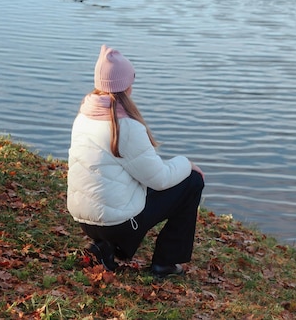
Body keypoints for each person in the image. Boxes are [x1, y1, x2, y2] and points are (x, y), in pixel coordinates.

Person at [67, 44, 205, 278]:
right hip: (115, 223)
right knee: (191, 182)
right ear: (126, 85)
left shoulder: (85, 115)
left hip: (85, 220)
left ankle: (105, 248)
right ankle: (165, 263)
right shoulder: (126, 126)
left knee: (128, 183)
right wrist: (186, 164)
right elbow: (160, 179)